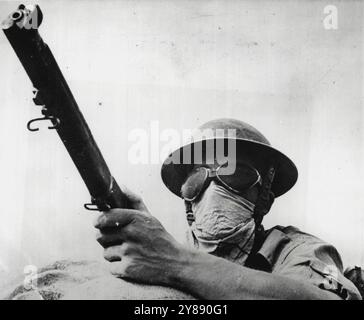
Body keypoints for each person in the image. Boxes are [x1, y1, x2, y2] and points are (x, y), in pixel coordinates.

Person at [94, 118, 362, 300]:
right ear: (188, 202)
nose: (214, 189)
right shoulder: (166, 253)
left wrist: (173, 262)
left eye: (234, 174)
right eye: (197, 180)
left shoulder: (298, 250)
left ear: (264, 198)